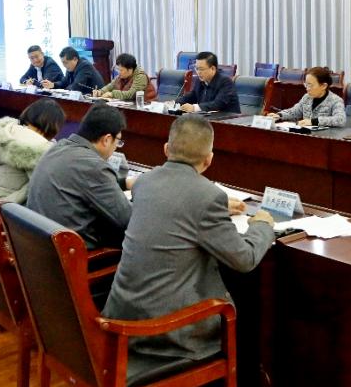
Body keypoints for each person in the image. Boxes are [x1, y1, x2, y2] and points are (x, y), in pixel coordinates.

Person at [103, 115, 276, 367]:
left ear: (166, 149)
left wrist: (216, 210)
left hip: (123, 312)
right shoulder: (208, 196)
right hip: (167, 332)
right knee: (249, 307)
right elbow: (244, 259)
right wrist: (262, 225)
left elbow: (174, 209)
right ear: (209, 160)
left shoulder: (145, 182)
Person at [25, 103, 131, 249]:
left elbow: (83, 183)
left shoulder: (58, 147)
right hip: (71, 253)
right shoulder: (94, 165)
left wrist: (125, 183)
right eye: (118, 141)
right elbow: (127, 218)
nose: (116, 147)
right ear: (106, 139)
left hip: (39, 244)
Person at [0, 98, 65, 204]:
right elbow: (40, 188)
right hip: (7, 208)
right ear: (53, 126)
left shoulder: (5, 132)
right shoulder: (38, 147)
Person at [269, 66, 345, 127]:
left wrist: (313, 122)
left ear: (323, 86)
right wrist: (279, 115)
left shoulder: (336, 100)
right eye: (306, 84)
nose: (307, 88)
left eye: (310, 85)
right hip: (307, 135)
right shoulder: (307, 97)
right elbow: (294, 112)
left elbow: (340, 120)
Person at [175, 51, 240, 113]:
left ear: (213, 69)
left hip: (228, 119)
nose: (198, 72)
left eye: (201, 69)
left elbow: (218, 104)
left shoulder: (226, 82)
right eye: (197, 69)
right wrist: (175, 103)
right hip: (208, 118)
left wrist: (194, 108)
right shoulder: (200, 81)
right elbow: (191, 97)